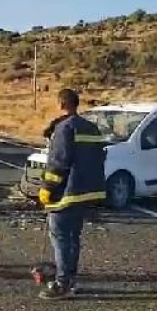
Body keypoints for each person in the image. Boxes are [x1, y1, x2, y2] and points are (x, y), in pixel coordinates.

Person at [38, 88, 106, 300]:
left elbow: (58, 163)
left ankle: (62, 282)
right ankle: (71, 279)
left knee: (60, 237)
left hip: (67, 194)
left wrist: (47, 189)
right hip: (86, 193)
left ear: (61, 104)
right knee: (73, 237)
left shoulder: (64, 128)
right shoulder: (92, 128)